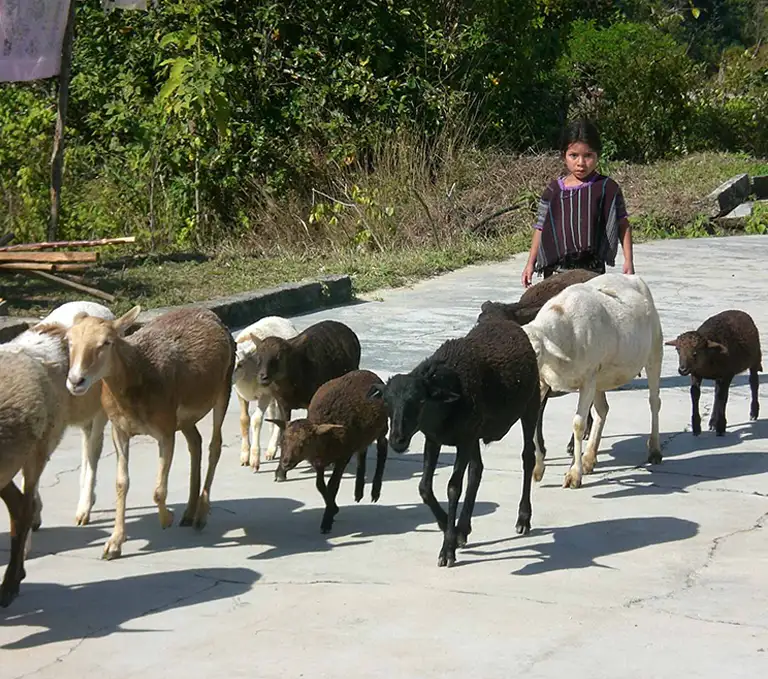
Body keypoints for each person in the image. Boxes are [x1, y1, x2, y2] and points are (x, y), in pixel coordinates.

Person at [521, 118, 635, 288]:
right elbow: (541, 227)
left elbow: (622, 224)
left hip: (591, 273)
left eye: (588, 155)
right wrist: (530, 263)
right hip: (556, 272)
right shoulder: (554, 191)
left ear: (598, 154)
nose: (581, 163)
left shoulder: (607, 189)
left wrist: (628, 261)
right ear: (563, 156)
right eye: (573, 155)